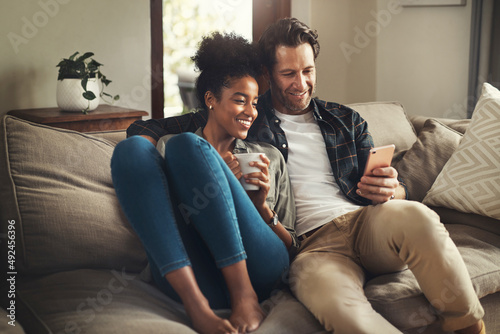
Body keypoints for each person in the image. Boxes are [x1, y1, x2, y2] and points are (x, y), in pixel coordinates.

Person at [126, 18, 485, 334]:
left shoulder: (345, 120)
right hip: (310, 249)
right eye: (288, 74)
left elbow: (392, 186)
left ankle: (470, 326)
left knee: (419, 216)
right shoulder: (243, 112)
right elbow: (145, 129)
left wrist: (395, 189)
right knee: (344, 313)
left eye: (308, 71)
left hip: (367, 222)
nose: (301, 83)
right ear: (268, 74)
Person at [111, 32, 298, 334]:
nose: (251, 111)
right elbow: (164, 219)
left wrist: (260, 206)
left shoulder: (270, 157)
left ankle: (244, 296)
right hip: (199, 275)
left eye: (254, 103)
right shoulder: (171, 148)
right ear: (210, 100)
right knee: (132, 149)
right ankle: (196, 307)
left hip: (260, 268)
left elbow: (292, 249)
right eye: (240, 100)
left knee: (188, 145)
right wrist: (212, 176)